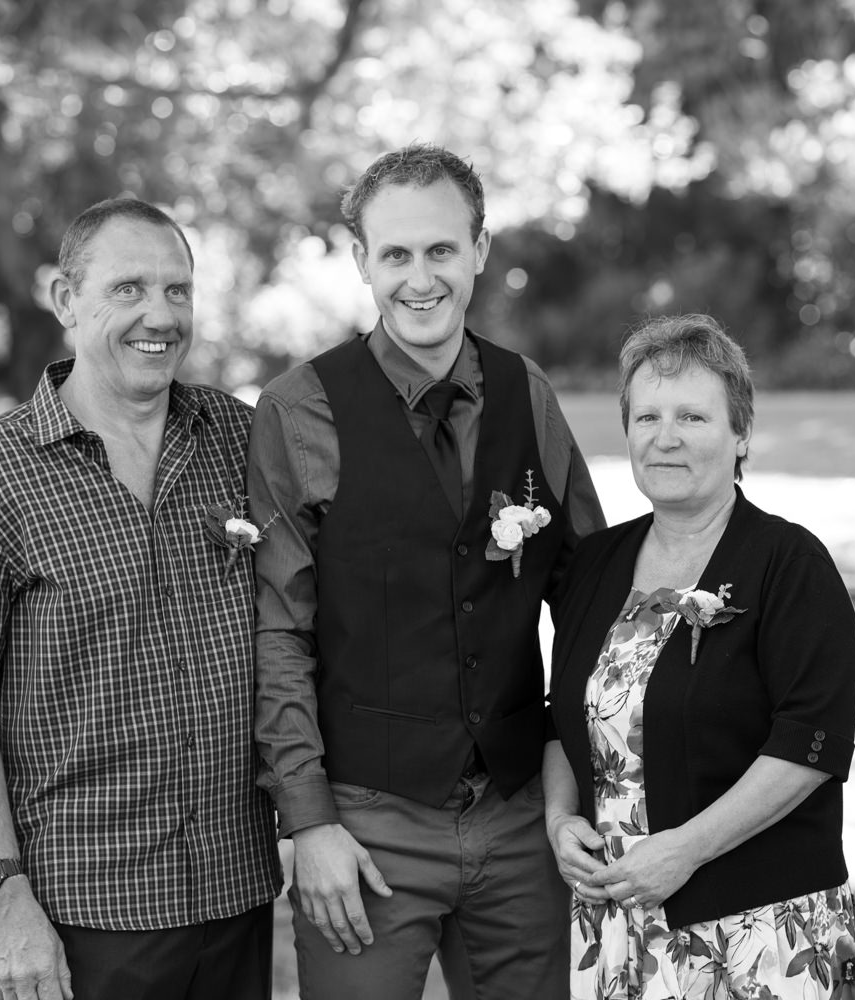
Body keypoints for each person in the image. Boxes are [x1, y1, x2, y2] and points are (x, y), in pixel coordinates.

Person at [0, 197, 282, 1000]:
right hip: (87, 915)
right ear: (66, 299)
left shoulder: (238, 439)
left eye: (178, 291)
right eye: (129, 289)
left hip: (237, 893)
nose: (161, 315)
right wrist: (2, 902)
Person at [247, 143, 606, 999]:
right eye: (396, 253)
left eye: (441, 249)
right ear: (363, 262)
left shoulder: (529, 395)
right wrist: (311, 823)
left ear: (479, 251)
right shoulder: (299, 409)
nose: (420, 276)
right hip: (367, 823)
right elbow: (278, 627)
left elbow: (593, 597)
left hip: (521, 817)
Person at [543, 314, 855, 1000]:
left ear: (740, 432)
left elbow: (812, 742)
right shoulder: (597, 563)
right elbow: (560, 716)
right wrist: (560, 818)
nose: (665, 438)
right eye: (647, 417)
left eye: (692, 416)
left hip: (762, 933)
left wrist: (685, 849)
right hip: (619, 925)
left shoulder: (789, 564)